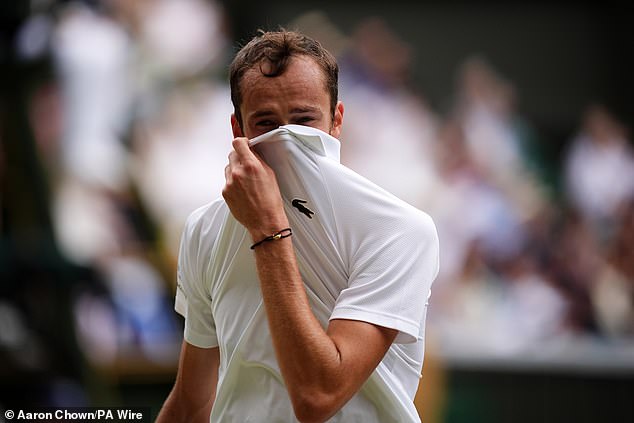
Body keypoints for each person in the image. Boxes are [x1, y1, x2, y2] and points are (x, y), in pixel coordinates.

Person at [156, 30, 439, 423]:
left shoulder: (399, 230)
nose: (286, 136)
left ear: (336, 121)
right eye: (266, 122)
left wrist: (267, 228)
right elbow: (191, 403)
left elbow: (318, 396)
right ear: (238, 130)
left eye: (304, 119)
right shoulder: (203, 229)